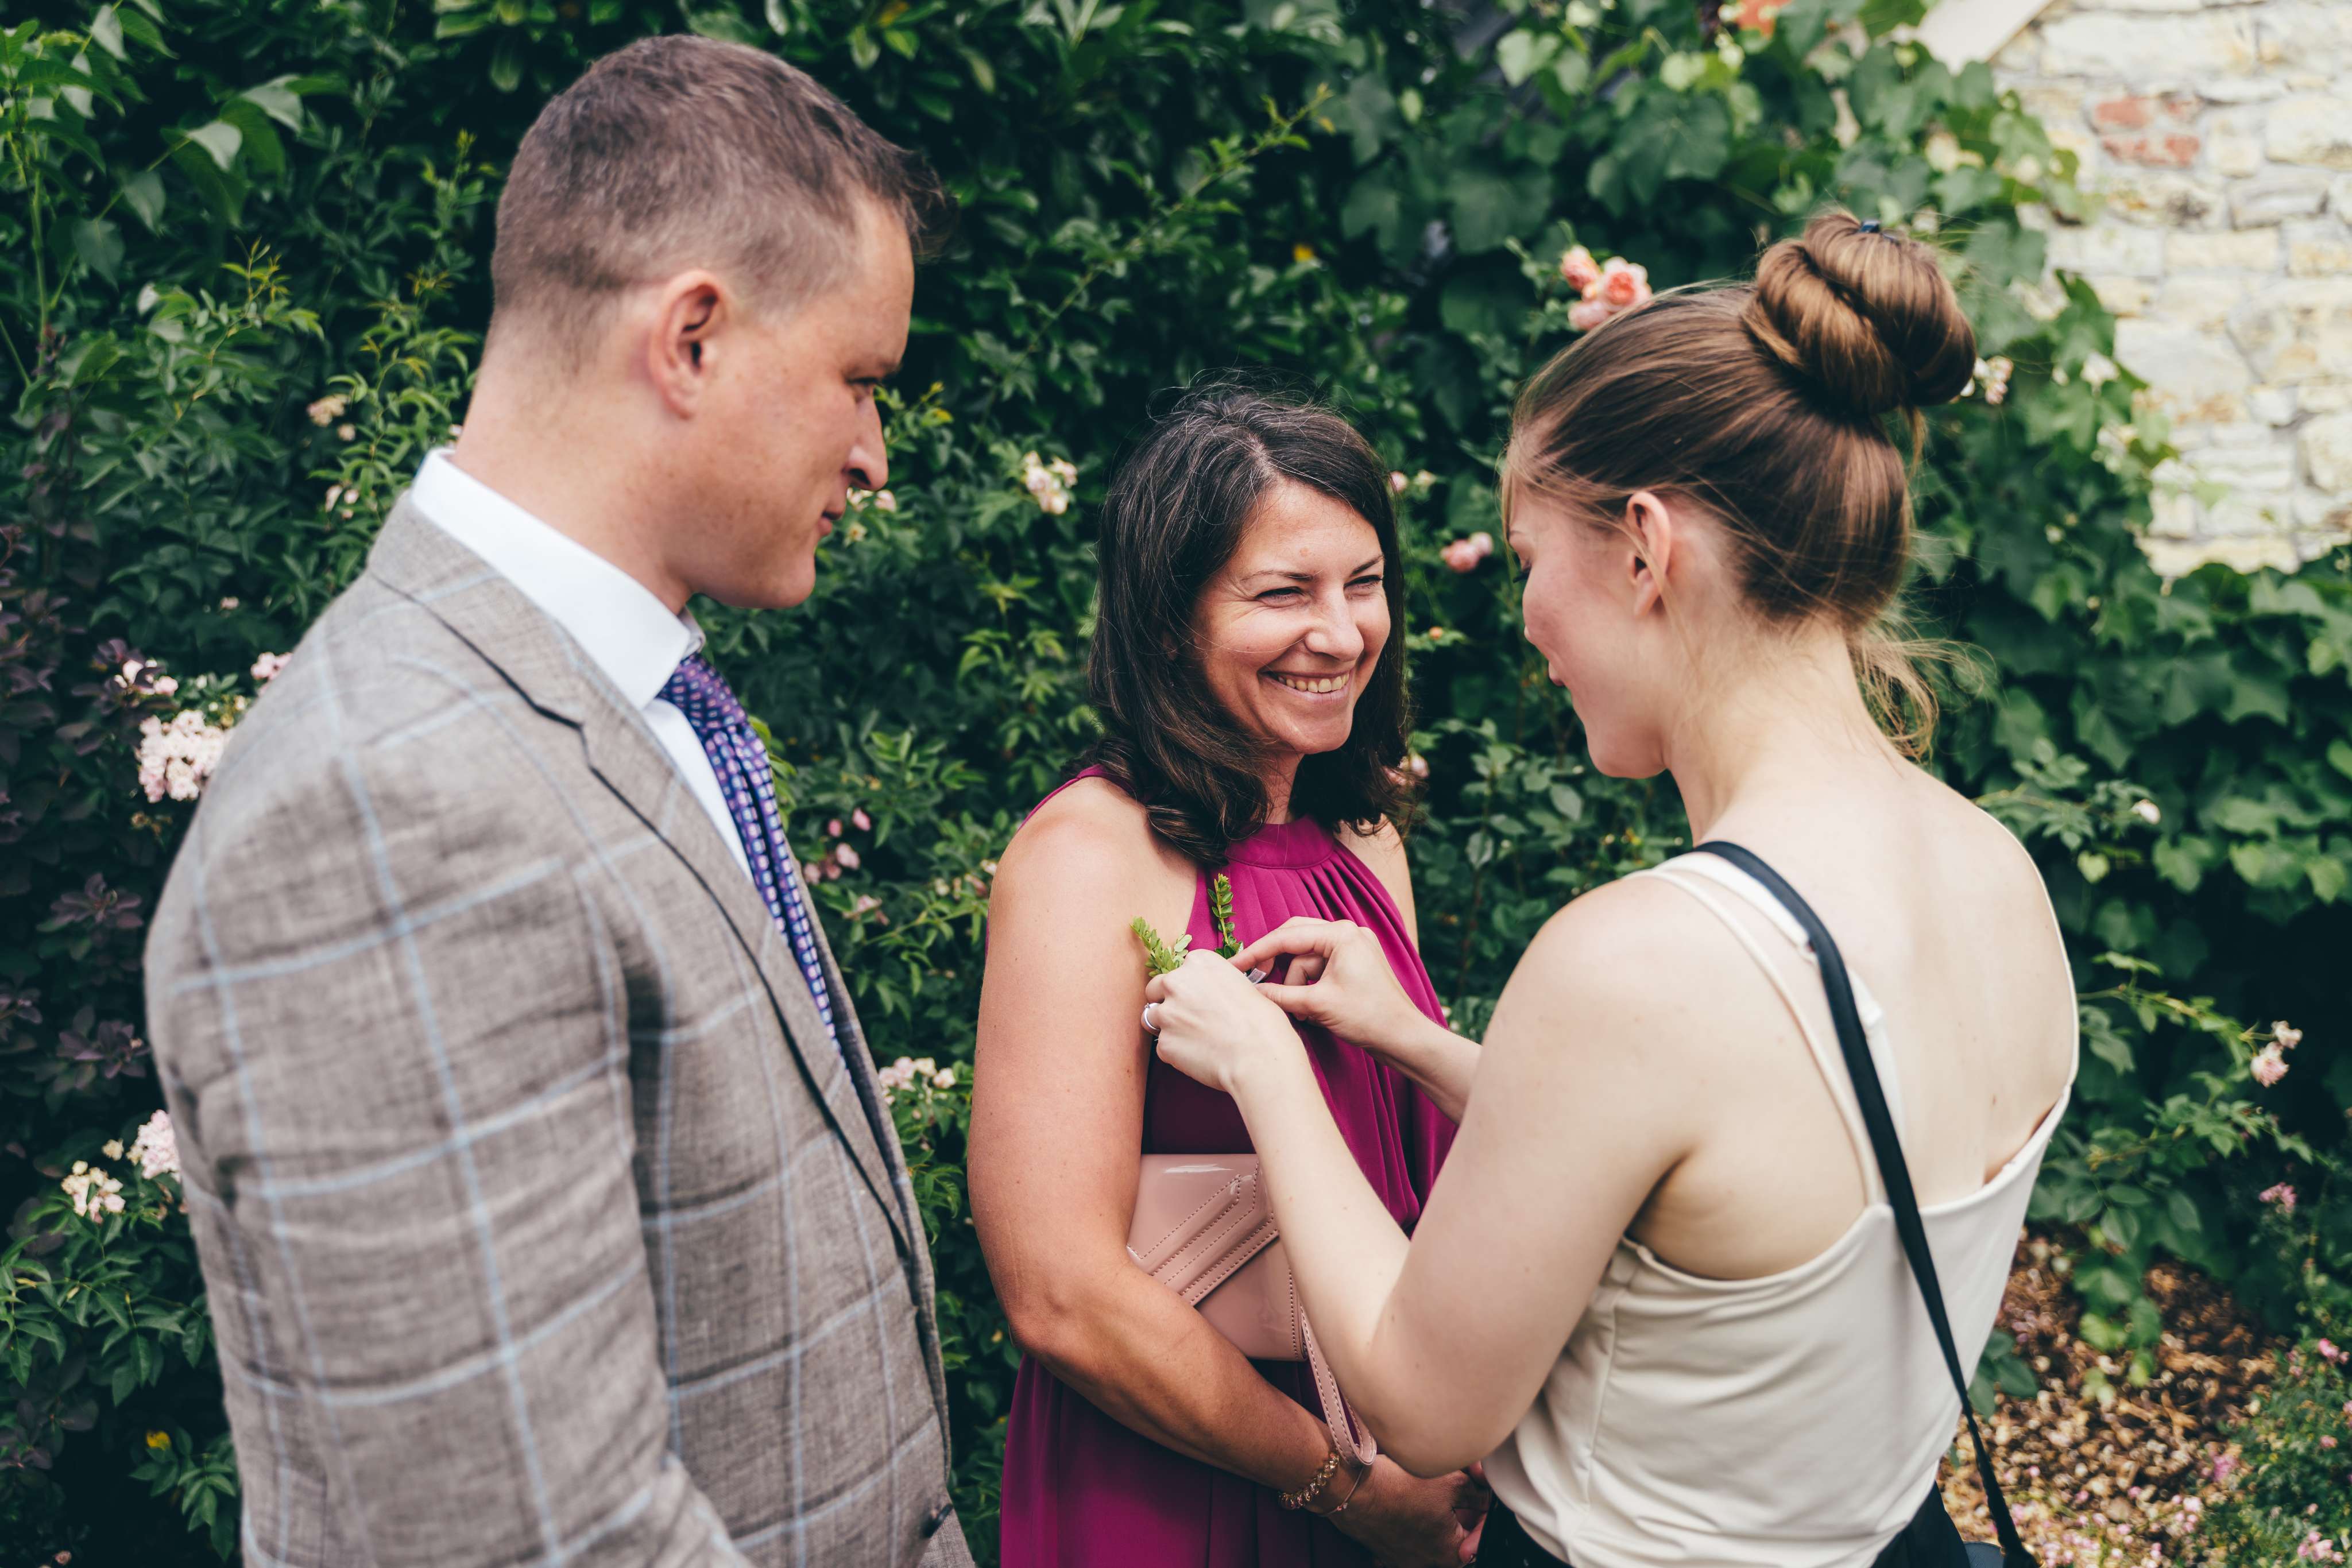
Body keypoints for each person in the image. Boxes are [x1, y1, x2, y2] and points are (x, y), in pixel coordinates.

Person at [1140, 212, 2079, 1567]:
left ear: (1644, 547)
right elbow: (1754, 1187)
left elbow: (1421, 1402)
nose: (1527, 622)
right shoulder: (1999, 879)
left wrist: (1263, 1069)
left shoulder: (1641, 964)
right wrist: (1415, 1042)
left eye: (1530, 559)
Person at [141, 38, 972, 1567]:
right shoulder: (390, 809)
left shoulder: (619, 698)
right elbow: (528, 1535)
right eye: (861, 381)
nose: (873, 454)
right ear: (692, 339)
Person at [970, 386, 1491, 1567]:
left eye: (1363, 584)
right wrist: (1347, 1487)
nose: (1341, 634)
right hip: (1184, 1476)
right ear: (1168, 620)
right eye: (1282, 593)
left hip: (1398, 1448)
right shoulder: (1086, 857)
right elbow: (1062, 1293)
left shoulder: (1364, 843)